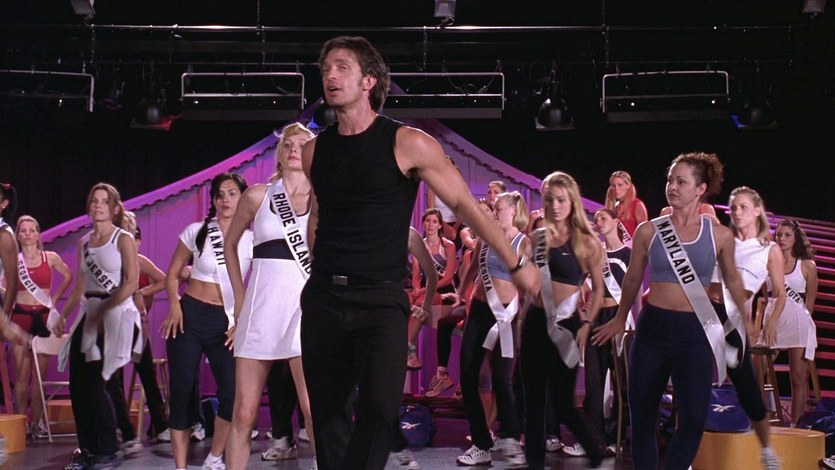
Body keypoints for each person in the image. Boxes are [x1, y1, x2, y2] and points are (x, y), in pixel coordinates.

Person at [299, 35, 538, 470]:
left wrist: (517, 261)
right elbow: (317, 217)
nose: (330, 75)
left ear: (369, 80)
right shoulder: (314, 150)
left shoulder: (407, 142)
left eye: (342, 67)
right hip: (324, 299)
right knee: (328, 418)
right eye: (325, 68)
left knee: (378, 410)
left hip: (380, 301)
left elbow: (465, 205)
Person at [593, 152, 750, 470]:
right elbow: (633, 278)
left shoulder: (720, 236)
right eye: (670, 180)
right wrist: (621, 318)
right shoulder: (648, 231)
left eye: (681, 181)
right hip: (653, 330)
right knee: (642, 417)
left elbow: (732, 283)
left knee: (693, 420)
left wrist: (743, 323)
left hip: (695, 333)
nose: (672, 187)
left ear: (701, 189)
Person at [222, 123, 317, 470]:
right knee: (244, 412)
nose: (293, 149)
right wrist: (240, 297)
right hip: (260, 308)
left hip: (303, 309)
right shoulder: (258, 196)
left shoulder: (322, 198)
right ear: (279, 153)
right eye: (287, 144)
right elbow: (230, 246)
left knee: (312, 408)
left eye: (301, 144)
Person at [159, 172, 252, 470]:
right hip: (189, 316)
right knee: (182, 392)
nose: (225, 200)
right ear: (213, 200)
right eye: (220, 194)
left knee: (232, 394)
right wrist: (175, 305)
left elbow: (260, 285)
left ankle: (214, 458)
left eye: (232, 194)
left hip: (225, 322)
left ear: (243, 198)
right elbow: (172, 273)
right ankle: (180, 467)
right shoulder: (197, 231)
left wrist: (242, 322)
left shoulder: (252, 239)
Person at [53, 182, 143, 470]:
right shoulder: (84, 243)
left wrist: (105, 308)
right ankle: (88, 450)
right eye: (94, 200)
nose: (98, 205)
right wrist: (63, 314)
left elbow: (131, 282)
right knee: (78, 385)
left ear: (114, 208)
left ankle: (107, 450)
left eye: (104, 201)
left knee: (95, 383)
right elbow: (80, 285)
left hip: (114, 312)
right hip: (89, 311)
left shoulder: (122, 238)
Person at [521, 172, 607, 470]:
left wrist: (587, 325)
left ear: (572, 202)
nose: (555, 206)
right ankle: (534, 464)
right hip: (536, 323)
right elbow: (526, 282)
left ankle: (596, 452)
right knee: (533, 404)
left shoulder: (587, 242)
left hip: (567, 327)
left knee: (563, 403)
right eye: (550, 200)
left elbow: (599, 290)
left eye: (561, 200)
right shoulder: (536, 238)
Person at [709, 186, 784, 469]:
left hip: (732, 320)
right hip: (705, 311)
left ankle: (767, 450)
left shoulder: (769, 250)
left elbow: (779, 293)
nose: (737, 212)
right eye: (733, 208)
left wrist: (770, 321)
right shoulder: (722, 239)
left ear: (757, 210)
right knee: (690, 377)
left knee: (747, 387)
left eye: (743, 207)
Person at [454, 191, 530, 468]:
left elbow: (528, 284)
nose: (495, 212)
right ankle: (481, 444)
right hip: (479, 312)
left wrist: (524, 321)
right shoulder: (486, 237)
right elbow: (474, 267)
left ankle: (511, 437)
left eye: (499, 208)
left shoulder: (523, 243)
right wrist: (460, 293)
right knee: (467, 375)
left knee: (501, 378)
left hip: (506, 315)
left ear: (513, 211)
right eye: (494, 208)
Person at [563, 207, 631, 457]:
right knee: (593, 380)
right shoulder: (594, 253)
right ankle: (591, 440)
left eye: (604, 218)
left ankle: (618, 437)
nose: (599, 222)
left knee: (621, 381)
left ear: (616, 222)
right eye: (597, 218)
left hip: (618, 317)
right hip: (595, 318)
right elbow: (583, 285)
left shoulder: (628, 253)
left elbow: (631, 289)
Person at [104, 210, 170, 455]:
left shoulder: (139, 261)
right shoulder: (105, 259)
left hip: (135, 325)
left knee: (147, 375)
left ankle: (161, 425)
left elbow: (165, 280)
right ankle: (121, 428)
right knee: (114, 378)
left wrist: (141, 292)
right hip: (112, 324)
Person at [12, 215, 72, 437]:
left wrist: (54, 298)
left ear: (38, 234)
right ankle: (21, 423)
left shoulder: (51, 257)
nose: (28, 234)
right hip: (20, 318)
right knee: (21, 374)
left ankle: (36, 422)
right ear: (18, 235)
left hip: (44, 318)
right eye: (23, 230)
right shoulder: (13, 260)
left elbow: (68, 275)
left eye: (32, 230)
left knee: (39, 376)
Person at [389, 225, 438, 470]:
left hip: (392, 313)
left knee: (388, 386)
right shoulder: (362, 222)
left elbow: (432, 273)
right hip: (361, 310)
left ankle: (396, 446)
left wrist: (426, 307)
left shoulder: (408, 233)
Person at [766, 218, 818, 426]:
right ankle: (759, 418)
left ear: (796, 238)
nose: (782, 238)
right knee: (759, 371)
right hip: (773, 321)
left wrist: (804, 325)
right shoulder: (768, 263)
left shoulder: (807, 265)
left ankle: (795, 424)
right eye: (779, 234)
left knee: (797, 376)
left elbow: (810, 303)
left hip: (797, 322)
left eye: (787, 235)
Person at [407, 208, 457, 376]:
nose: (430, 224)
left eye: (434, 221)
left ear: (440, 225)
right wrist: (416, 288)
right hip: (424, 288)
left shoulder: (448, 246)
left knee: (421, 303)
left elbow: (448, 278)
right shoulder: (419, 245)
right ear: (423, 223)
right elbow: (415, 276)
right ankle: (411, 353)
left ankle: (407, 349)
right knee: (407, 302)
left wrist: (425, 290)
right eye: (427, 221)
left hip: (443, 290)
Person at [425, 155, 464, 250]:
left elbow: (462, 212)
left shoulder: (459, 186)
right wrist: (443, 226)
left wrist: (454, 228)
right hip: (437, 224)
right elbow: (431, 209)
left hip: (455, 226)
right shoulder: (433, 185)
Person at [604, 170, 648, 243]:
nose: (616, 189)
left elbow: (644, 233)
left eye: (620, 185)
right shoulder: (615, 207)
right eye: (613, 186)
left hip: (633, 248)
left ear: (628, 185)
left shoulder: (637, 204)